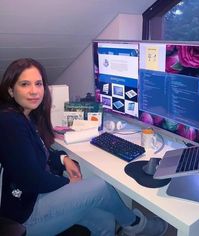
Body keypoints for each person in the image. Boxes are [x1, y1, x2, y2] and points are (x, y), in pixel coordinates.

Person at [0, 58, 168, 236]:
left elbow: (38, 152)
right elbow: (31, 179)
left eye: (38, 84)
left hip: (34, 197)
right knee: (101, 187)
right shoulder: (10, 122)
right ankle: (137, 226)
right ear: (11, 90)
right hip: (25, 216)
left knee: (106, 222)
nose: (34, 91)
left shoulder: (26, 116)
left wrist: (63, 158)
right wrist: (68, 183)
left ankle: (130, 226)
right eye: (25, 84)